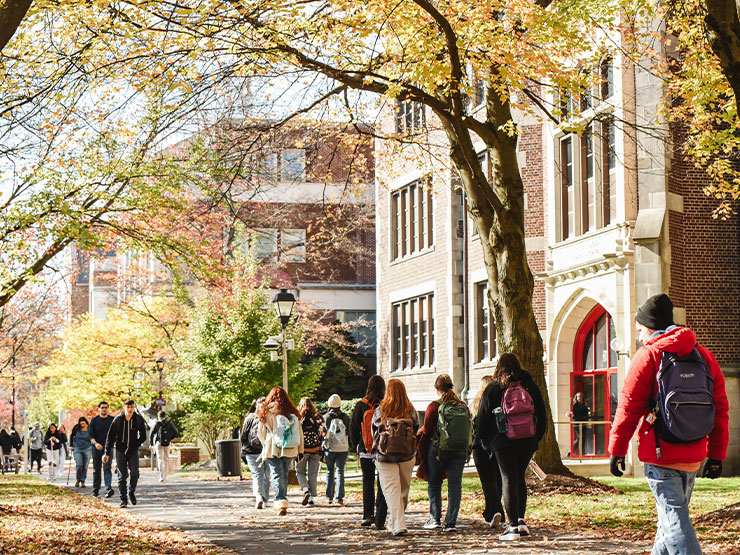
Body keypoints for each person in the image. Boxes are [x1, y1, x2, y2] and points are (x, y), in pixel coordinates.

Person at [608, 293, 729, 555]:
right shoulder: (705, 356)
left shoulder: (648, 355)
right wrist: (717, 454)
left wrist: (617, 449)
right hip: (693, 453)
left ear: (650, 327)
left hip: (661, 455)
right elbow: (720, 410)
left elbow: (628, 408)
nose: (639, 336)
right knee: (670, 523)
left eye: (640, 329)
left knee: (676, 526)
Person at [477, 353, 547, 541]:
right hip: (527, 440)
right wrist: (536, 439)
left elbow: (482, 420)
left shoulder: (493, 388)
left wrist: (486, 442)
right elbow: (542, 413)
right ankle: (521, 521)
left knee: (508, 478)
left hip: (503, 442)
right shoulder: (530, 385)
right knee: (519, 479)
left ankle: (512, 526)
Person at [417, 374, 472, 532]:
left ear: (437, 389)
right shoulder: (463, 405)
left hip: (438, 451)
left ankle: (435, 518)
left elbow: (427, 432)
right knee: (455, 486)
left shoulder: (434, 406)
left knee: (435, 483)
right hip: (459, 451)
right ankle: (451, 523)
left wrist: (421, 452)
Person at [371, 378, 419, 537]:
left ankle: (397, 523)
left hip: (385, 455)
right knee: (403, 490)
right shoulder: (410, 409)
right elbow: (416, 427)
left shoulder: (381, 409)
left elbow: (375, 431)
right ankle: (397, 521)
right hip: (407, 454)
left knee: (391, 489)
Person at [257, 386, 304, 516]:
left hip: (273, 447)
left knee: (276, 473)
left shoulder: (266, 411)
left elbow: (260, 432)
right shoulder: (291, 412)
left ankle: (280, 500)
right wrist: (300, 451)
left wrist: (265, 443)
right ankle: (282, 500)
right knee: (283, 473)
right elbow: (299, 433)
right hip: (289, 447)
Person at [349, 375, 388, 529]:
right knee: (382, 483)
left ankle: (367, 515)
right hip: (382, 449)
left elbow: (353, 428)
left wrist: (356, 447)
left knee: (367, 482)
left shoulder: (361, 405)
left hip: (365, 449)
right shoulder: (385, 405)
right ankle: (380, 517)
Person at [471, 375, 504, 528]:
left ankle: (496, 510)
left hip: (479, 445)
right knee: (498, 478)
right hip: (496, 443)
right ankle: (491, 511)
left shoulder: (475, 404)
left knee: (487, 481)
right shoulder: (499, 400)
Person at [103, 399, 148, 508]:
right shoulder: (118, 419)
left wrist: (136, 444)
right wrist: (107, 452)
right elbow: (110, 436)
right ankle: (123, 500)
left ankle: (131, 491)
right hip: (120, 450)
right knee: (122, 476)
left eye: (132, 407)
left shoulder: (138, 419)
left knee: (135, 473)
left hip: (132, 451)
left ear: (134, 407)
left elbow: (143, 436)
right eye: (128, 407)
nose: (130, 409)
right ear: (124, 407)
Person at [241, 397, 270, 509]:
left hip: (251, 451)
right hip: (266, 450)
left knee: (257, 474)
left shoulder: (250, 417)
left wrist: (243, 450)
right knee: (266, 475)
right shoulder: (269, 418)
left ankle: (259, 497)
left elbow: (244, 435)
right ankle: (265, 499)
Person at [323, 394, 351, 506]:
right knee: (340, 472)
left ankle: (328, 497)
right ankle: (339, 498)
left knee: (330, 471)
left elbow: (323, 433)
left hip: (330, 448)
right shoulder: (346, 417)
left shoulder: (326, 417)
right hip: (343, 448)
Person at [90, 401, 115, 498]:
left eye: (106, 407)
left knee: (107, 467)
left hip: (108, 448)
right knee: (96, 469)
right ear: (99, 409)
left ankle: (108, 489)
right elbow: (90, 435)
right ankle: (96, 490)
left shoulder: (112, 420)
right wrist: (96, 444)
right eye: (102, 407)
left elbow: (115, 434)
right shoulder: (94, 420)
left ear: (108, 409)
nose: (104, 409)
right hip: (96, 447)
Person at [150, 410, 178, 483]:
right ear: (165, 416)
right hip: (167, 444)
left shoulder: (157, 423)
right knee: (166, 460)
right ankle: (165, 476)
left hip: (159, 443)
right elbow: (175, 432)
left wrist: (151, 444)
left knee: (160, 459)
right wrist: (169, 439)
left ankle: (161, 477)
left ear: (158, 416)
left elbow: (151, 434)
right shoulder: (169, 423)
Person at [70, 417, 93, 488]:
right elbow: (71, 436)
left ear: (86, 423)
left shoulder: (90, 429)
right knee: (79, 464)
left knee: (85, 466)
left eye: (83, 423)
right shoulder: (76, 428)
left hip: (87, 449)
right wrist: (71, 445)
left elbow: (93, 437)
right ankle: (78, 479)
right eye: (81, 424)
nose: (82, 425)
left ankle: (83, 481)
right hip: (77, 448)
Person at [568, 392, 590, 457]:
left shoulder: (584, 404)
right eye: (578, 397)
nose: (579, 398)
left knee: (580, 438)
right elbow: (574, 414)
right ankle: (581, 453)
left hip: (583, 424)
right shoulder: (575, 405)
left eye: (580, 397)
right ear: (576, 398)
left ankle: (572, 452)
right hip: (578, 424)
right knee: (580, 438)